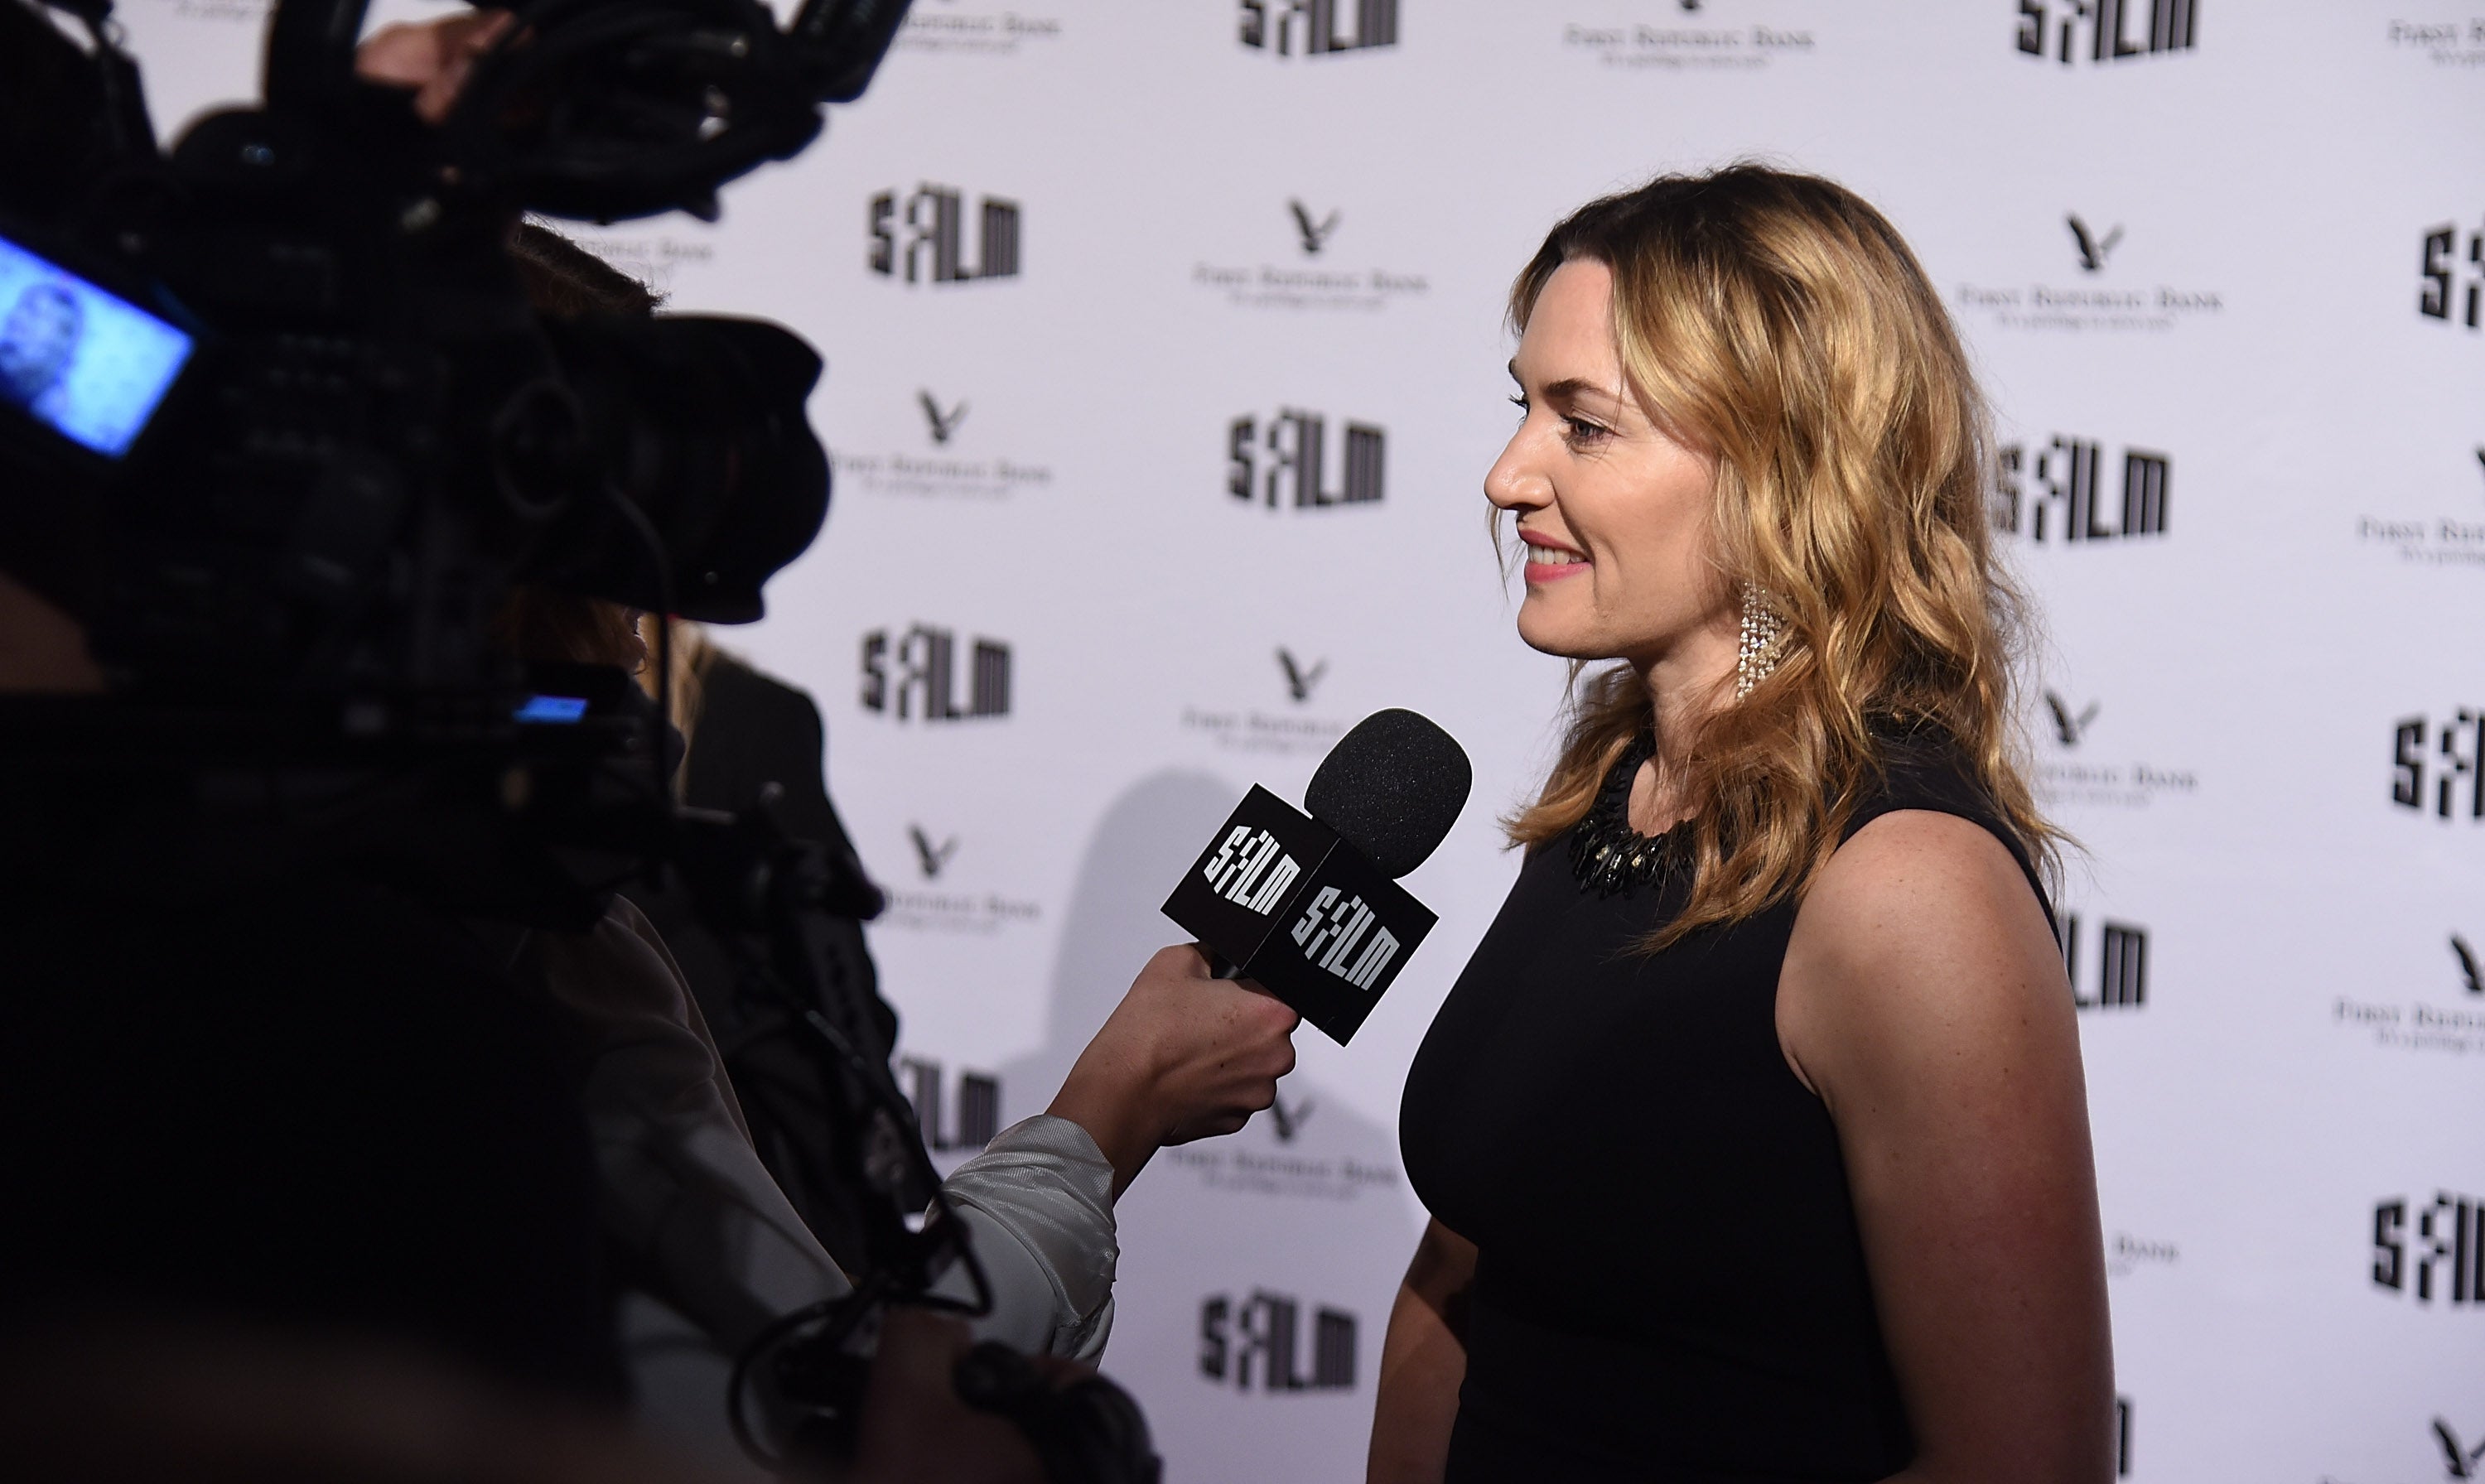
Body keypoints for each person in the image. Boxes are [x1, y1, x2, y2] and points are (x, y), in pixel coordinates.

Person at [1374, 166, 2113, 1483]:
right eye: (1521, 408)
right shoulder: (1618, 788)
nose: (1505, 477)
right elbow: (1467, 1269)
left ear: (1787, 469)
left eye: (1583, 426)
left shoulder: (1907, 889)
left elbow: (2022, 1464)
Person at [0, 280, 81, 422]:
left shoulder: (51, 398)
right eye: (21, 305)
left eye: (34, 312)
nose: (17, 315)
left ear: (59, 335)